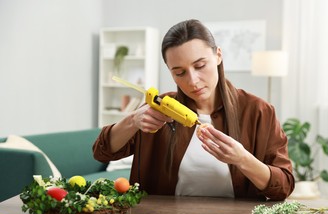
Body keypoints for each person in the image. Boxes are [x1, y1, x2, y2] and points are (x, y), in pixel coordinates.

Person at [93, 19, 294, 201]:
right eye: (179, 72)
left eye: (200, 65)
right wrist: (132, 121)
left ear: (218, 55)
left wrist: (242, 159)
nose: (192, 81)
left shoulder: (259, 111)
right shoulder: (159, 108)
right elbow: (102, 152)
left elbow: (283, 186)